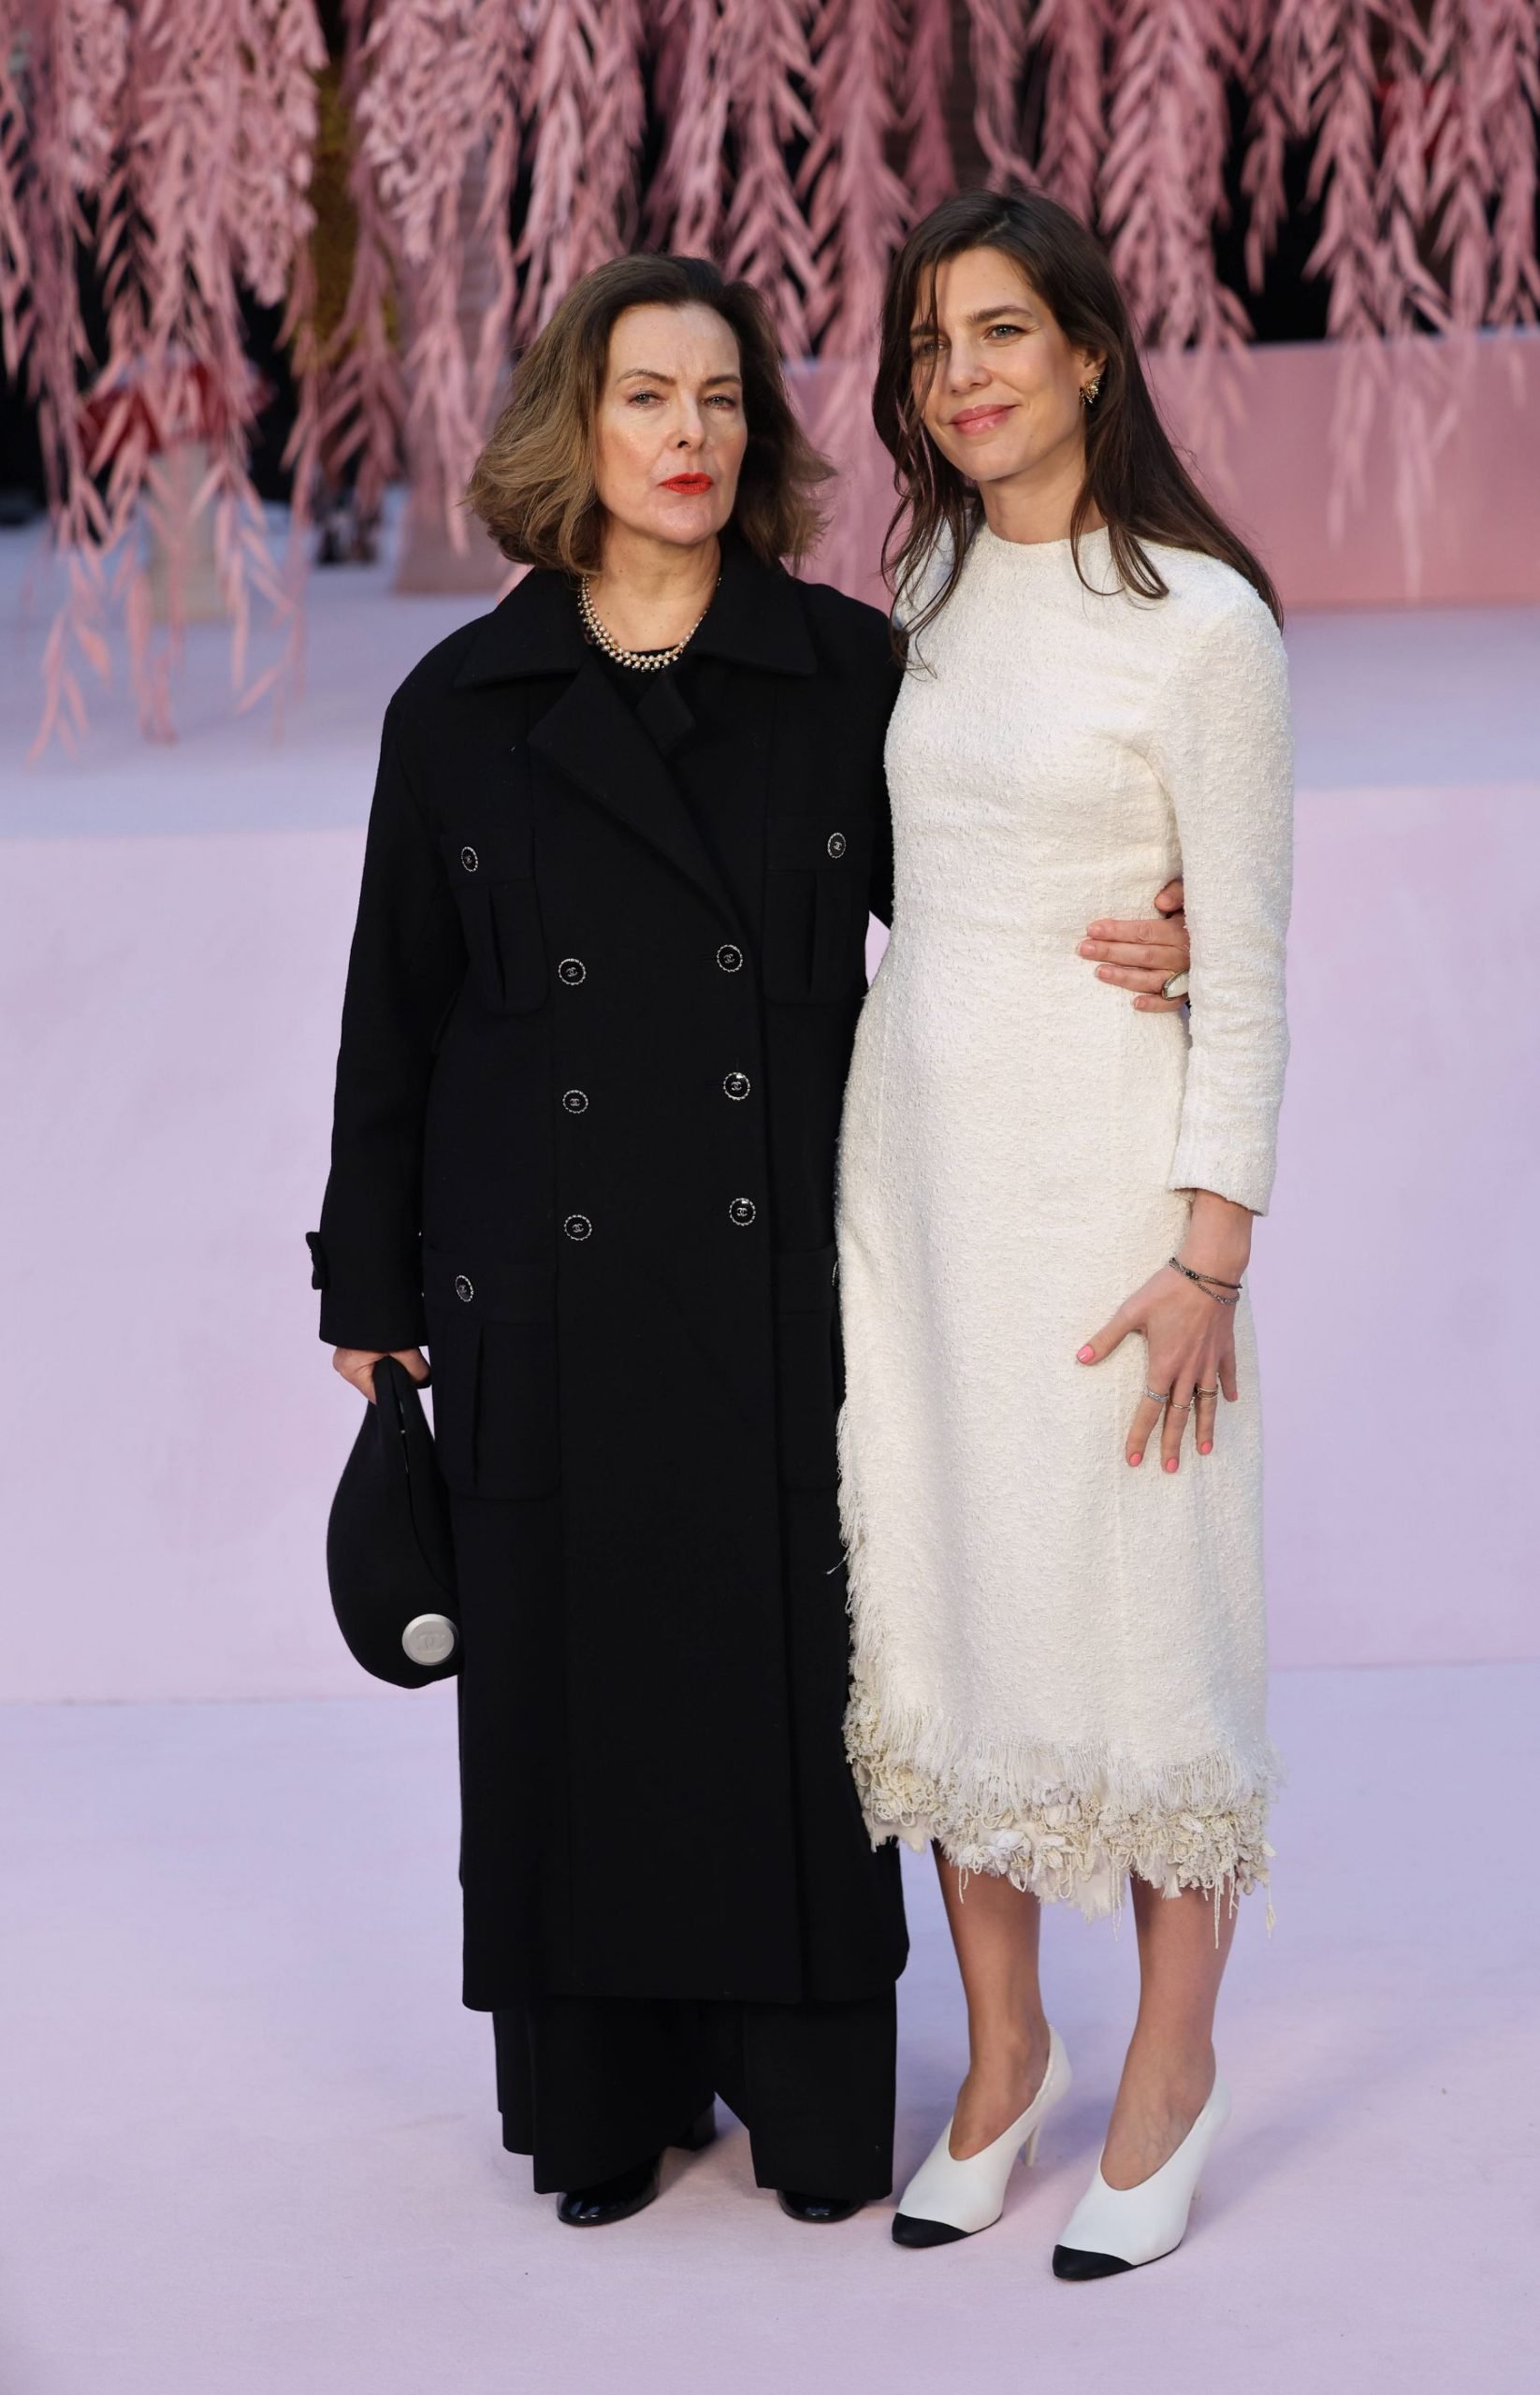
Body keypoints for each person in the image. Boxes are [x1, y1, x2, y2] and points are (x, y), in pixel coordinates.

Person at [309, 250, 1193, 2232]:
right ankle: (598, 2096)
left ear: (759, 432)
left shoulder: (842, 672)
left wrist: (1181, 922)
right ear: (577, 422)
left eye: (720, 399)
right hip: (534, 1278)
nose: (687, 435)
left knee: (782, 1679)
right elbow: (397, 1004)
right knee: (563, 1686)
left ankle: (803, 2101)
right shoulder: (458, 703)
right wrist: (366, 1278)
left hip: (780, 1264)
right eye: (645, 396)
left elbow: (977, 914)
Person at [835, 190, 1293, 2276]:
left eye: (1003, 334)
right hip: (912, 1183)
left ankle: (1171, 2063)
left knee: (1136, 1609)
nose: (965, 378)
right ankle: (1002, 2047)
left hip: (1109, 1194)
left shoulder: (1202, 621)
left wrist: (1211, 1252)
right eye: (935, 346)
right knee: (943, 1593)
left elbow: (1255, 961)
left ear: (1093, 352)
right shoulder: (921, 577)